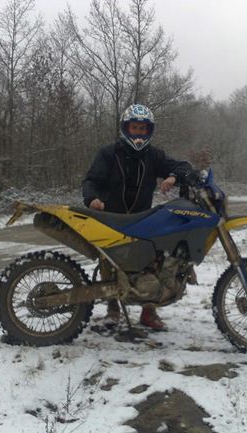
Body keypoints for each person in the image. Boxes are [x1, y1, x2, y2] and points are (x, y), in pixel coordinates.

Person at [82, 104, 192, 331]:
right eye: (134, 127)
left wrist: (173, 177)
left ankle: (148, 312)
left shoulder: (154, 156)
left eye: (143, 128)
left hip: (142, 220)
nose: (138, 133)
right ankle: (112, 309)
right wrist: (92, 198)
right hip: (111, 217)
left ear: (149, 130)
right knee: (109, 264)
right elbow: (91, 180)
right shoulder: (108, 153)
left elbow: (183, 166)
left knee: (152, 263)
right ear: (126, 128)